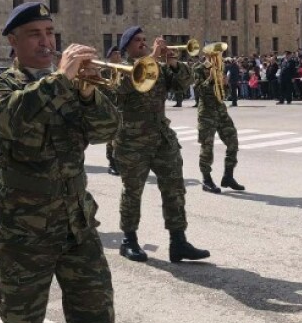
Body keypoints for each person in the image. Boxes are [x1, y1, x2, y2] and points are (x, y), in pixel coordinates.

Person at [0, 2, 118, 323]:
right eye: (35, 34)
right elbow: (10, 120)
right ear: (14, 41)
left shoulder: (73, 84)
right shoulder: (0, 86)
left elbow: (108, 129)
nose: (46, 41)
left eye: (49, 32)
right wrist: (61, 80)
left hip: (77, 225)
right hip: (24, 233)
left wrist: (88, 94)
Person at [113, 26, 210, 264]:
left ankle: (178, 242)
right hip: (133, 141)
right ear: (127, 47)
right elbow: (120, 90)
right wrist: (153, 57)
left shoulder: (158, 67)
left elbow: (184, 84)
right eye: (137, 40)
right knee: (133, 191)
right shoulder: (120, 69)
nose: (143, 43)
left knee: (174, 188)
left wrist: (174, 63)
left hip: (161, 138)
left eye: (144, 39)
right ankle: (129, 240)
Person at [193, 55, 244, 194]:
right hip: (206, 114)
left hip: (221, 112)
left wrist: (225, 84)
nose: (217, 57)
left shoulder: (220, 68)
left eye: (218, 54)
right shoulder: (199, 68)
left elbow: (224, 95)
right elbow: (198, 91)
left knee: (233, 142)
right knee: (207, 147)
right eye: (214, 54)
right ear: (207, 55)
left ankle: (228, 176)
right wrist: (210, 79)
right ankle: (206, 179)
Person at [103, 45, 122, 176]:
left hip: (122, 108)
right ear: (110, 56)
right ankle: (112, 163)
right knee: (111, 138)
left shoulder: (124, 69)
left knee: (121, 137)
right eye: (115, 54)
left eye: (119, 53)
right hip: (109, 108)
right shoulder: (104, 71)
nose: (118, 56)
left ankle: (120, 162)